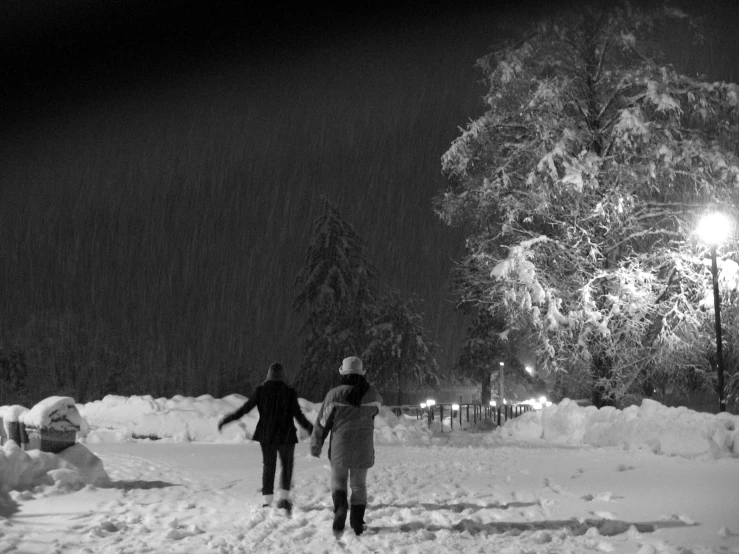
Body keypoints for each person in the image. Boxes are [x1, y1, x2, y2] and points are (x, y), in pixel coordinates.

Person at [218, 362, 313, 513]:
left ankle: (267, 501)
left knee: (269, 466)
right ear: (282, 376)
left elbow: (245, 409)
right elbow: (298, 415)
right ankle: (284, 499)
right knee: (287, 466)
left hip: (267, 435)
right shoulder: (289, 392)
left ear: (268, 375)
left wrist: (227, 420)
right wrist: (312, 429)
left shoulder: (261, 391)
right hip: (286, 435)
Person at [310, 356, 382, 535]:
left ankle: (341, 508)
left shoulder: (334, 395)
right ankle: (357, 522)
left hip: (340, 447)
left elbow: (322, 422)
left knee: (338, 481)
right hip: (363, 446)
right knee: (359, 485)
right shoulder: (373, 394)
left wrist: (316, 444)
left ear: (343, 372)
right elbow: (376, 410)